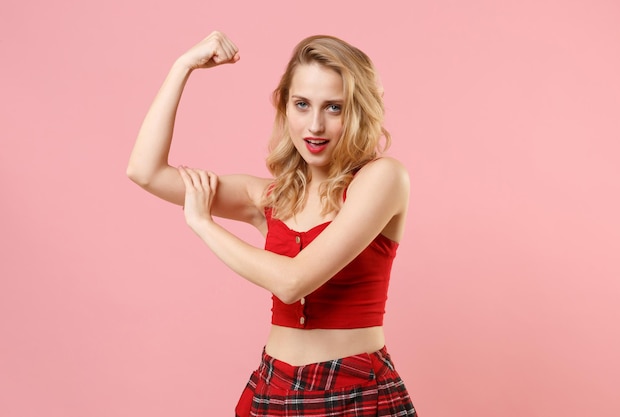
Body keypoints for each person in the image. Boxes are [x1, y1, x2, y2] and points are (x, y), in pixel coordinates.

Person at [127, 31, 416, 417]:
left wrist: (204, 224)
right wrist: (183, 66)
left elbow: (293, 281)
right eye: (302, 104)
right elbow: (145, 172)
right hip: (273, 388)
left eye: (334, 107)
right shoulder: (271, 198)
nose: (314, 125)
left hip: (353, 391)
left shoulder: (383, 178)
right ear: (284, 107)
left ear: (359, 110)